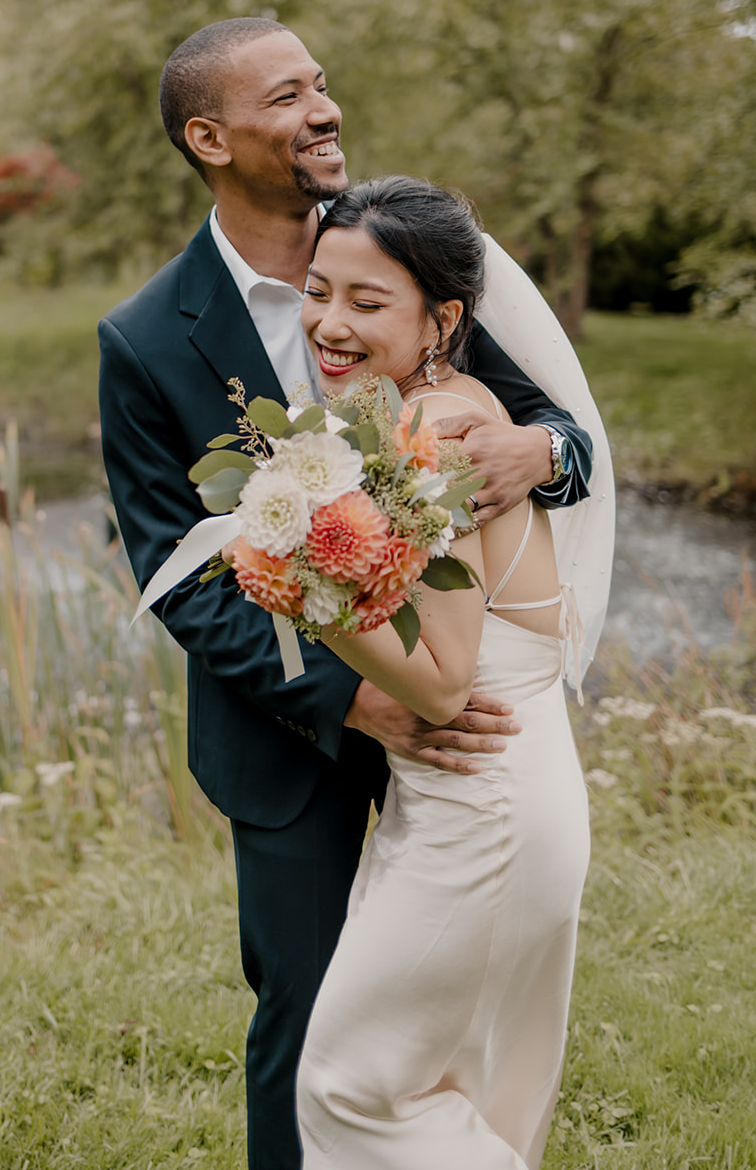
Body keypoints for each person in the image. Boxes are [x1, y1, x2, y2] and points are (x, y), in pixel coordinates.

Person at [97, 18, 592, 1170]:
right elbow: (175, 568)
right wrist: (340, 697)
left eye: (321, 84)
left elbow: (551, 419)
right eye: (289, 95)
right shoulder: (143, 337)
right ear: (209, 136)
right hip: (290, 738)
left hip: (470, 734)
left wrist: (537, 455)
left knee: (445, 1029)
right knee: (312, 1029)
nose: (324, 108)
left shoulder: (397, 252)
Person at [295, 176, 591, 1167]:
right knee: (448, 1085)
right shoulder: (422, 411)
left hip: (483, 807)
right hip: (480, 799)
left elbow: (438, 682)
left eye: (366, 302)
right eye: (315, 290)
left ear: (443, 318)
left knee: (350, 1089)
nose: (328, 324)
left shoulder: (433, 430)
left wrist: (300, 588)